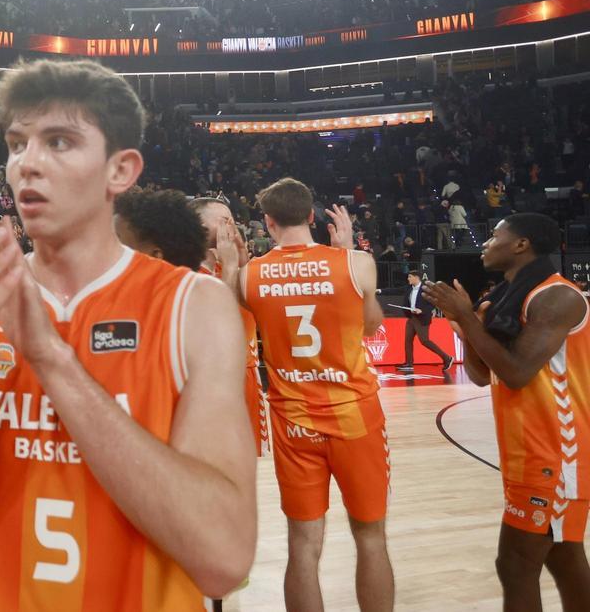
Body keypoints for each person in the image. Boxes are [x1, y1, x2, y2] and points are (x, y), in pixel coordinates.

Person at [0, 58, 257, 610]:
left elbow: (224, 558)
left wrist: (51, 358)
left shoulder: (194, 306)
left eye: (58, 142)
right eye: (16, 144)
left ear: (120, 171)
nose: (27, 163)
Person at [219, 177, 393, 612]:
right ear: (313, 216)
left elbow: (223, 324)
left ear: (267, 221)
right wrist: (346, 247)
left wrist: (227, 270)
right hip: (355, 416)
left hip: (294, 422)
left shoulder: (250, 276)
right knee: (370, 537)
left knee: (302, 545)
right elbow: (371, 326)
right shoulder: (356, 263)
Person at [423, 213, 590, 611]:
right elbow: (483, 376)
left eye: (494, 235)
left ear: (521, 245)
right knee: (564, 558)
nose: (485, 243)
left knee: (515, 565)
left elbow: (515, 374)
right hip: (525, 452)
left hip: (555, 453)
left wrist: (466, 316)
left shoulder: (556, 297)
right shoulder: (505, 296)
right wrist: (465, 329)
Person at [190, 195, 272, 457]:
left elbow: (252, 307)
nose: (233, 226)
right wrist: (230, 267)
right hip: (210, 382)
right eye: (225, 221)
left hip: (246, 375)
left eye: (233, 220)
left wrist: (241, 261)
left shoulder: (232, 267)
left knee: (245, 466)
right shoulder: (186, 273)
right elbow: (217, 324)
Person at [388, 271, 453, 372]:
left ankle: (447, 358)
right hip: (411, 318)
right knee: (408, 340)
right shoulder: (408, 288)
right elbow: (395, 290)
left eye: (410, 277)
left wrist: (422, 310)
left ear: (416, 277)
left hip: (422, 318)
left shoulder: (425, 288)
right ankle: (409, 363)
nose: (408, 279)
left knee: (425, 341)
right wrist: (379, 291)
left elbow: (433, 303)